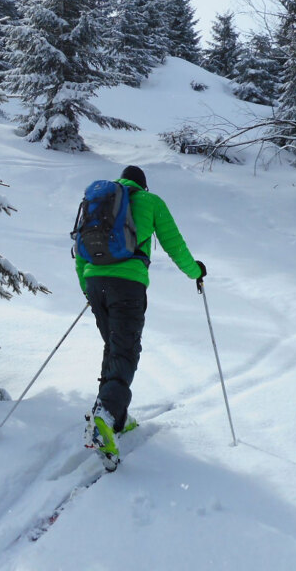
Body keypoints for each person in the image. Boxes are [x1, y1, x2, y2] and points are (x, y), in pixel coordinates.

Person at [76, 164, 205, 464]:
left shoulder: (96, 203)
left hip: (96, 282)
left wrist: (88, 286)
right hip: (128, 286)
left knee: (114, 346)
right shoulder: (150, 201)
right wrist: (196, 271)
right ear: (142, 185)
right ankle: (106, 416)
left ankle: (114, 416)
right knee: (125, 351)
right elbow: (175, 244)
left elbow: (80, 249)